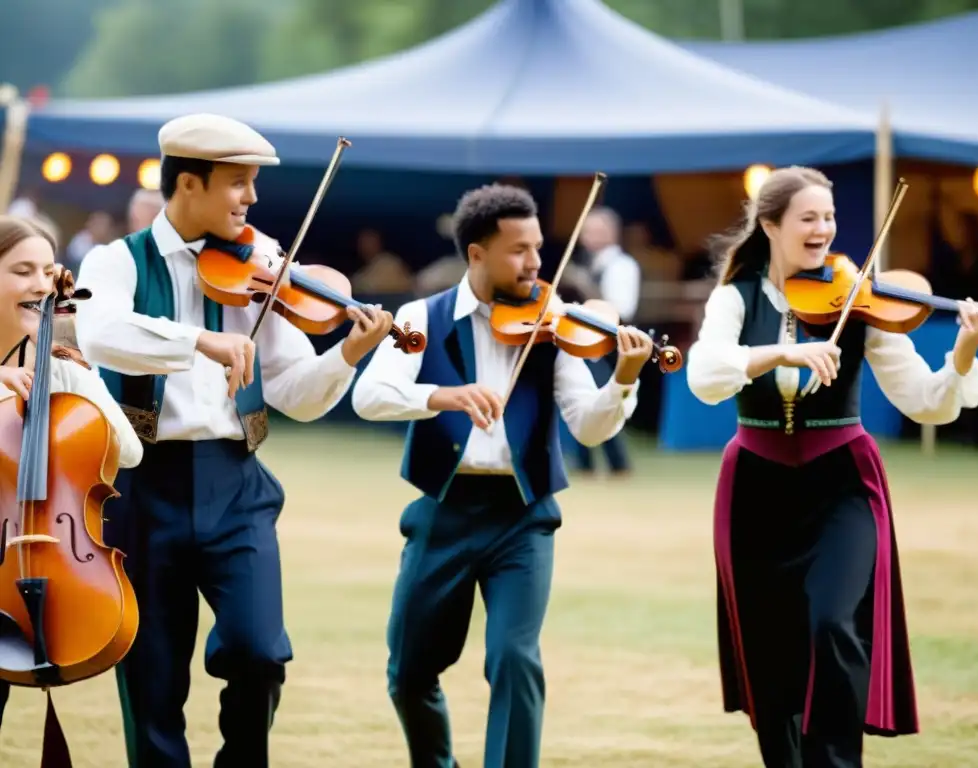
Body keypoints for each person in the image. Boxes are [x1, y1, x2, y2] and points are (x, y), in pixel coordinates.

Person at [72, 113, 395, 768]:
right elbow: (99, 333)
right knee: (152, 676)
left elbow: (295, 392)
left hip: (237, 487)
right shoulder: (116, 262)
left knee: (258, 651)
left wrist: (346, 357)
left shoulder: (259, 267)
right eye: (238, 184)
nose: (250, 199)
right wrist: (200, 340)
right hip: (143, 487)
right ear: (188, 184)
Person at [686, 166, 978, 768]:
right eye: (809, 217)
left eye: (829, 217)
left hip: (841, 483)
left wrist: (962, 353)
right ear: (771, 226)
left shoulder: (859, 297)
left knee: (833, 623)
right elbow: (704, 376)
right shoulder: (733, 299)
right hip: (756, 485)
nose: (824, 228)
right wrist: (781, 350)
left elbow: (925, 400)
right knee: (770, 653)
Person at [351, 183, 654, 768]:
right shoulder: (422, 317)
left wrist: (624, 379)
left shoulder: (558, 323)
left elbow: (589, 427)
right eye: (519, 250)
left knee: (515, 659)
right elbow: (369, 395)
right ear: (476, 254)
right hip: (443, 510)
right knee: (409, 670)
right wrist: (443, 396)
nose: (537, 263)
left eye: (539, 248)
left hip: (523, 518)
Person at [0, 215, 143, 730]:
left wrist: (77, 368)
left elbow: (127, 451)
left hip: (18, 562)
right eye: (21, 270)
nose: (38, 283)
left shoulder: (55, 363)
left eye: (45, 270)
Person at [573, 206, 642, 476]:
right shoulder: (589, 263)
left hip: (610, 344)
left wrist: (584, 291)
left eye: (595, 230)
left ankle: (617, 464)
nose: (588, 236)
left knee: (603, 401)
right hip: (585, 342)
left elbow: (621, 309)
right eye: (586, 231)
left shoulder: (621, 266)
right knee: (584, 399)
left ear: (611, 233)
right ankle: (586, 463)